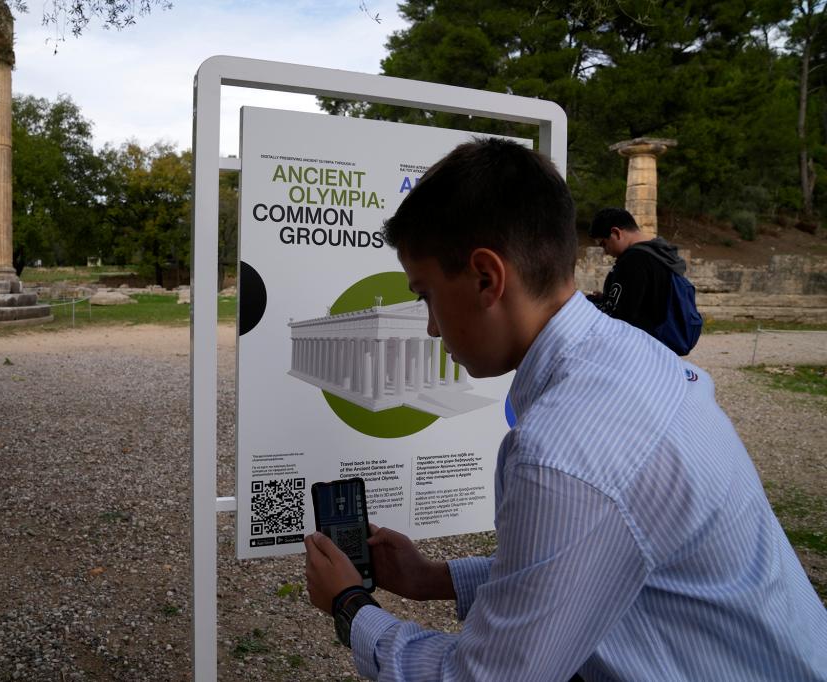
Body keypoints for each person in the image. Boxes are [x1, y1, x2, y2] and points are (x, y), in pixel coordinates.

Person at [304, 138, 827, 681]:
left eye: (426, 294)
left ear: (487, 278)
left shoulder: (565, 448)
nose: (432, 326)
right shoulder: (632, 354)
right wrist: (430, 578)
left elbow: (484, 677)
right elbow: (583, 568)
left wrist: (350, 607)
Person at [586, 207, 688, 338]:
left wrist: (587, 304)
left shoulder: (633, 260)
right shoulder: (660, 254)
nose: (605, 251)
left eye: (604, 244)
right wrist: (607, 298)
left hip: (641, 343)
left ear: (616, 233)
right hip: (662, 341)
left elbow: (621, 318)